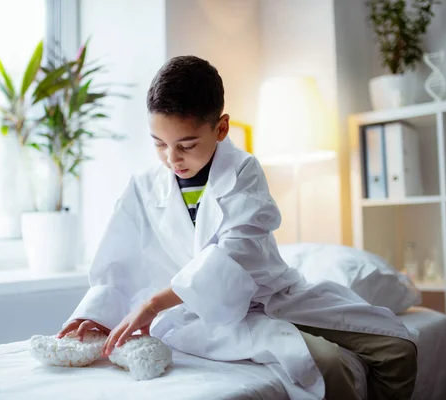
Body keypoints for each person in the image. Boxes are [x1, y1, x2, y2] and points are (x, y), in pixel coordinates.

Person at [57, 55, 417, 400]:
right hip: (204, 315)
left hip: (276, 297)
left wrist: (155, 302)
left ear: (221, 127)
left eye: (186, 144)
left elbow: (238, 249)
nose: (172, 158)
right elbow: (116, 262)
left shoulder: (244, 170)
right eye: (159, 144)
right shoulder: (141, 187)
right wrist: (94, 314)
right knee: (327, 365)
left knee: (399, 348)